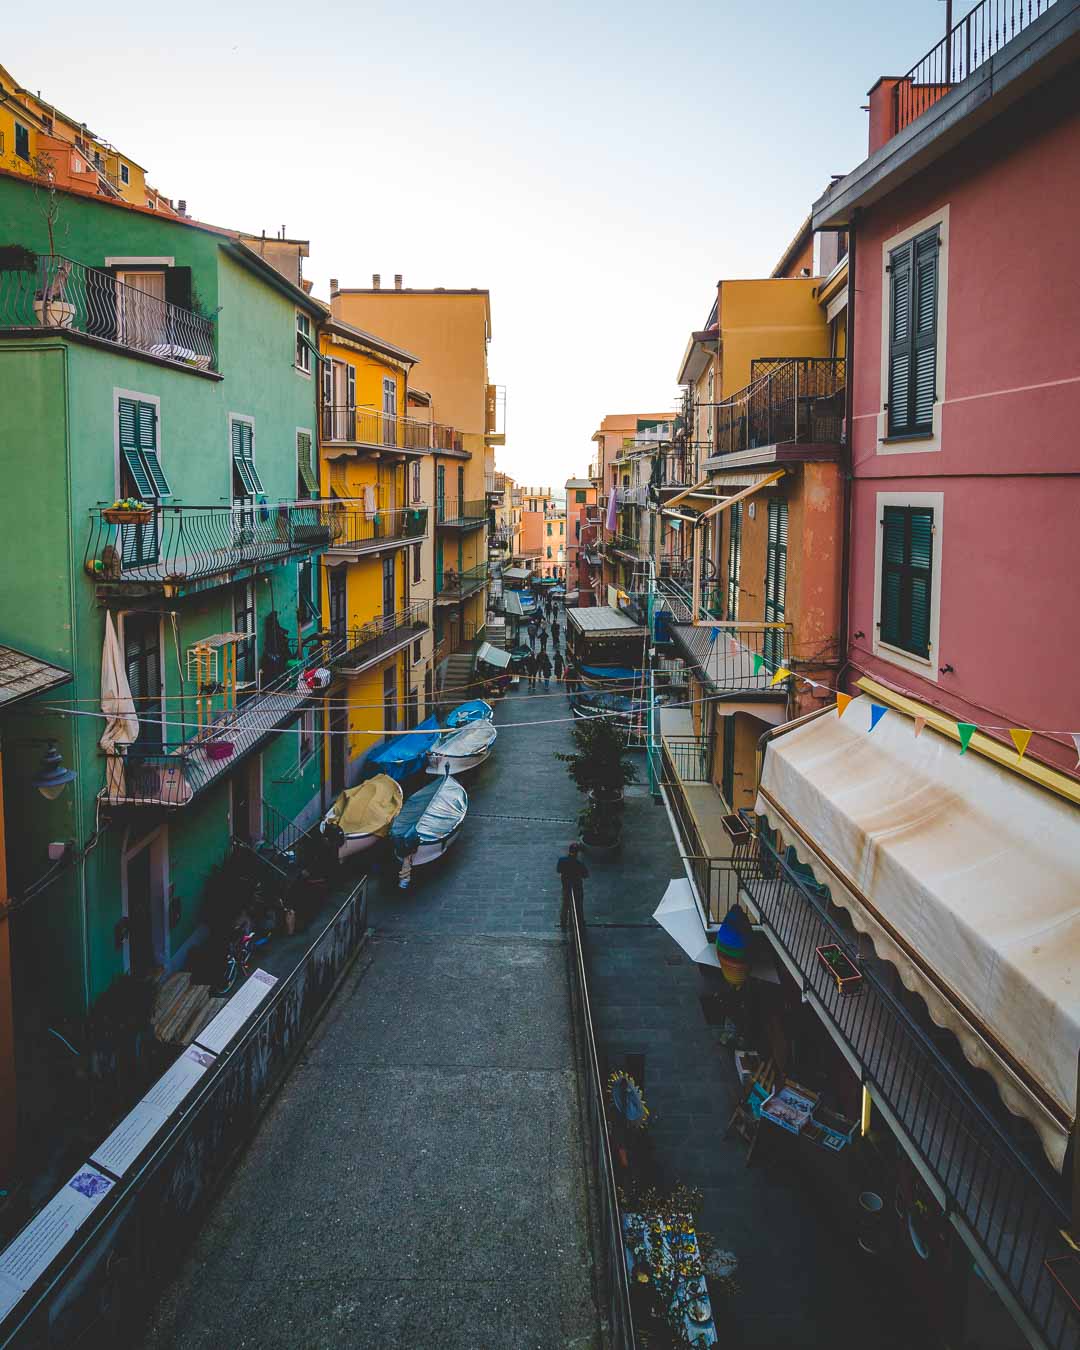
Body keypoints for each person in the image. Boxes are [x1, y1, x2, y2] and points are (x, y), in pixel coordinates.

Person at [558, 843, 589, 930]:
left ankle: (563, 923)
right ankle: (579, 921)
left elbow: (558, 870)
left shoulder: (562, 860)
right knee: (578, 905)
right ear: (577, 853)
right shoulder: (579, 864)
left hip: (566, 886)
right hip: (577, 887)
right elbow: (585, 875)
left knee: (565, 905)